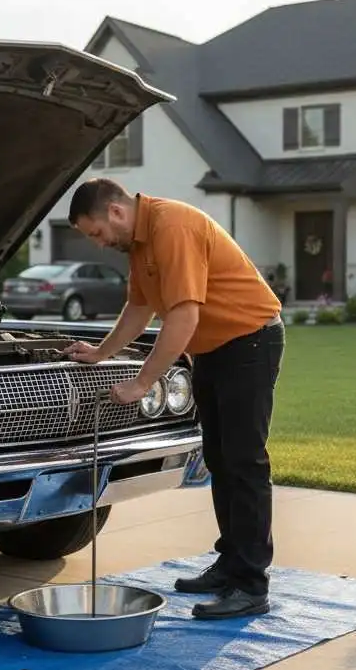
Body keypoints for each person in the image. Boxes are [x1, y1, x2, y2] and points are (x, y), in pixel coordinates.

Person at [63, 178, 285, 619]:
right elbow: (139, 308)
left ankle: (251, 584)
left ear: (116, 212)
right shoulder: (140, 244)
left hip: (249, 342)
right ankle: (231, 563)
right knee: (220, 460)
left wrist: (141, 383)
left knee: (244, 462)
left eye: (95, 232)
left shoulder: (171, 228)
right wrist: (101, 353)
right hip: (215, 350)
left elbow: (183, 316)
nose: (98, 243)